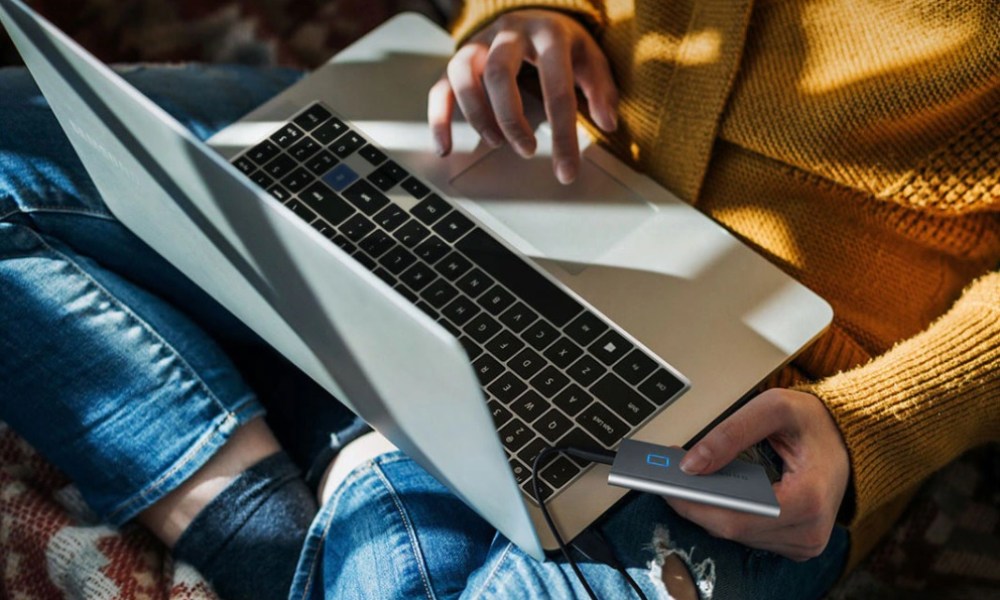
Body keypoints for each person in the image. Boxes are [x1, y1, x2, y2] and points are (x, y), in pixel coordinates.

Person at [0, 2, 996, 600]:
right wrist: (529, 21)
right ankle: (285, 508)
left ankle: (356, 443)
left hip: (773, 376)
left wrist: (883, 422)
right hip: (501, 154)